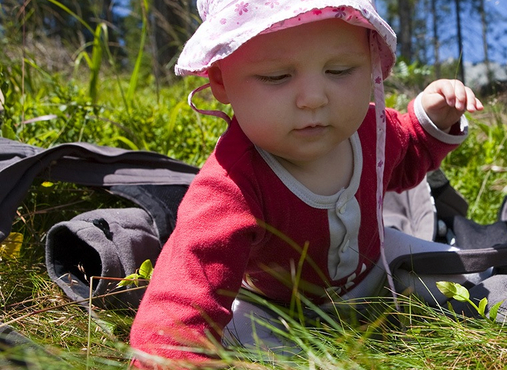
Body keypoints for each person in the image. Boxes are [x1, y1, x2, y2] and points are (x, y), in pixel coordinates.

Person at [129, 0, 483, 367]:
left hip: (379, 265)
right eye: (276, 76)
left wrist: (431, 120)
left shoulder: (371, 131)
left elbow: (407, 155)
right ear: (220, 80)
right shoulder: (230, 186)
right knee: (262, 349)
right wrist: (171, 358)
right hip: (276, 308)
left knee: (471, 279)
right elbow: (183, 296)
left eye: (341, 70)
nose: (314, 98)